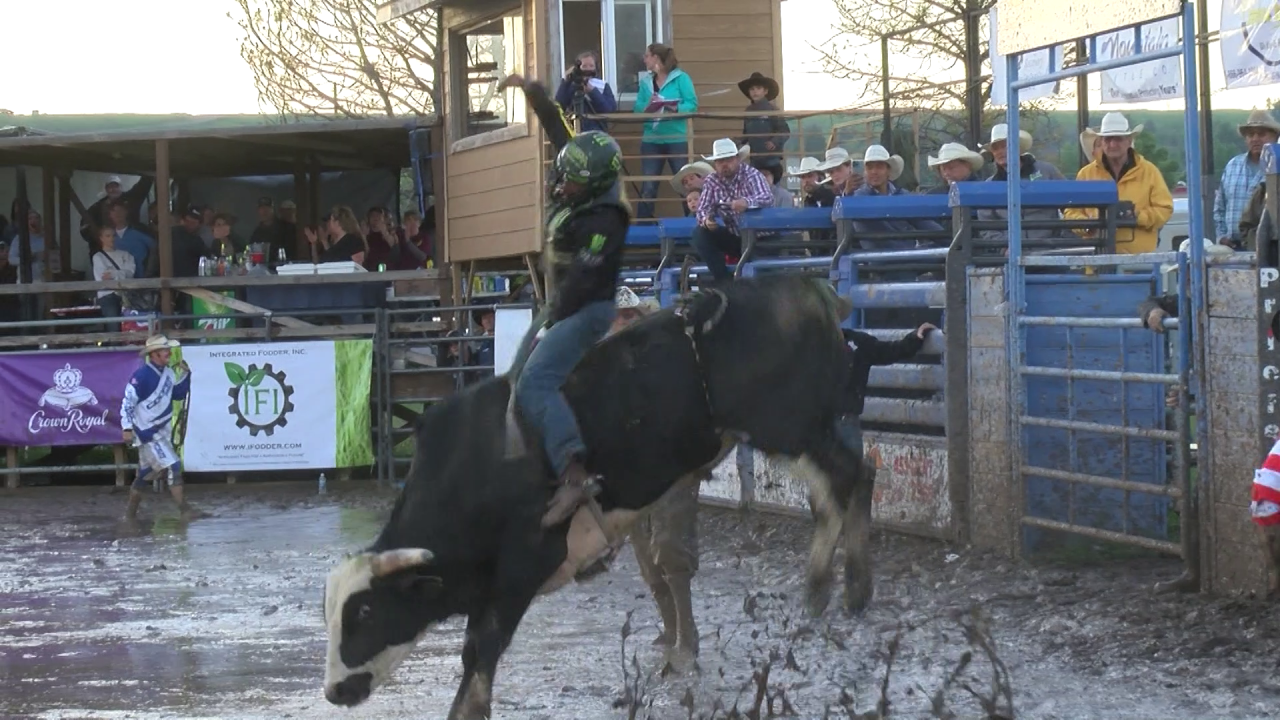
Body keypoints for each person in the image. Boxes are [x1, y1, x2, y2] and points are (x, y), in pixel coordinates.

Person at [498, 71, 630, 529]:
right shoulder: (583, 171)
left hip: (587, 310)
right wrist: (532, 92)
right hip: (561, 304)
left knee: (535, 382)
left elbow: (584, 279)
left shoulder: (607, 221)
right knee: (515, 376)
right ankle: (534, 467)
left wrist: (553, 319)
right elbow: (559, 131)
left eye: (570, 181)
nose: (561, 182)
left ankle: (574, 471)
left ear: (592, 186)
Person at [612, 286, 702, 658]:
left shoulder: (665, 354)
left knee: (668, 543)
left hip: (674, 459)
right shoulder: (606, 362)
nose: (625, 322)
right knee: (646, 552)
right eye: (621, 316)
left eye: (629, 315)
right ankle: (671, 626)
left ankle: (687, 630)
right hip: (633, 469)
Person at [121, 335, 201, 522]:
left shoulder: (168, 374)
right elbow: (128, 402)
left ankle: (130, 514)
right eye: (165, 350)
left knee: (145, 473)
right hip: (149, 433)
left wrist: (185, 375)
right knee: (173, 466)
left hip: (158, 431)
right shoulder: (141, 376)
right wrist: (126, 427)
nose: (169, 353)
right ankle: (184, 510)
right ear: (155, 354)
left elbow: (177, 394)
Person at [632, 43, 698, 219]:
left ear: (656, 58)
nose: (644, 59)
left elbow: (692, 104)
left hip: (676, 137)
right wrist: (647, 106)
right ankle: (643, 229)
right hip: (651, 139)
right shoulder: (646, 81)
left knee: (685, 184)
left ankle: (692, 225)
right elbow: (637, 108)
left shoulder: (681, 78)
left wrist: (674, 108)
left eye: (647, 55)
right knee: (649, 186)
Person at [737, 72, 790, 180]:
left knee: (772, 185)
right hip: (755, 158)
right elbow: (746, 135)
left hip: (771, 158)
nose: (755, 91)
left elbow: (784, 131)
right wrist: (736, 142)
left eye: (758, 88)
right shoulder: (748, 111)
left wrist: (774, 141)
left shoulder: (773, 110)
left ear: (765, 91)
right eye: (752, 89)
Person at [555, 50, 617, 133]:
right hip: (574, 132)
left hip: (597, 132)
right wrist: (566, 82)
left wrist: (593, 92)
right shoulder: (571, 86)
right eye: (584, 66)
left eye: (591, 66)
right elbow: (559, 105)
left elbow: (609, 109)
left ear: (596, 68)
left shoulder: (602, 85)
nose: (588, 69)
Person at [92, 226, 136, 318]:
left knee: (129, 325)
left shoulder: (126, 254)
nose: (112, 238)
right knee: (114, 326)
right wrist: (122, 273)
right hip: (107, 295)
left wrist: (113, 274)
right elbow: (104, 277)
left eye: (114, 235)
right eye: (108, 236)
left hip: (126, 295)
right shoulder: (98, 257)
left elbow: (131, 273)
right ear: (101, 238)